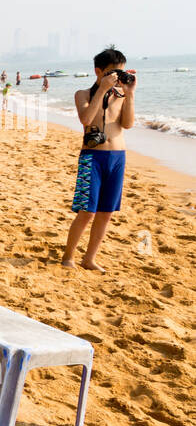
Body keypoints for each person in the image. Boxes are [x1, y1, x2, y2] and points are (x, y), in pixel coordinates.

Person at [62, 48, 136, 270]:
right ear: (98, 71)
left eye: (121, 73)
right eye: (113, 73)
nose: (117, 78)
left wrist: (130, 94)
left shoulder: (121, 96)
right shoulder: (82, 94)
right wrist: (102, 90)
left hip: (117, 157)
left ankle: (89, 259)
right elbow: (86, 119)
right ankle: (68, 257)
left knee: (106, 213)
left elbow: (128, 124)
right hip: (91, 158)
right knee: (87, 211)